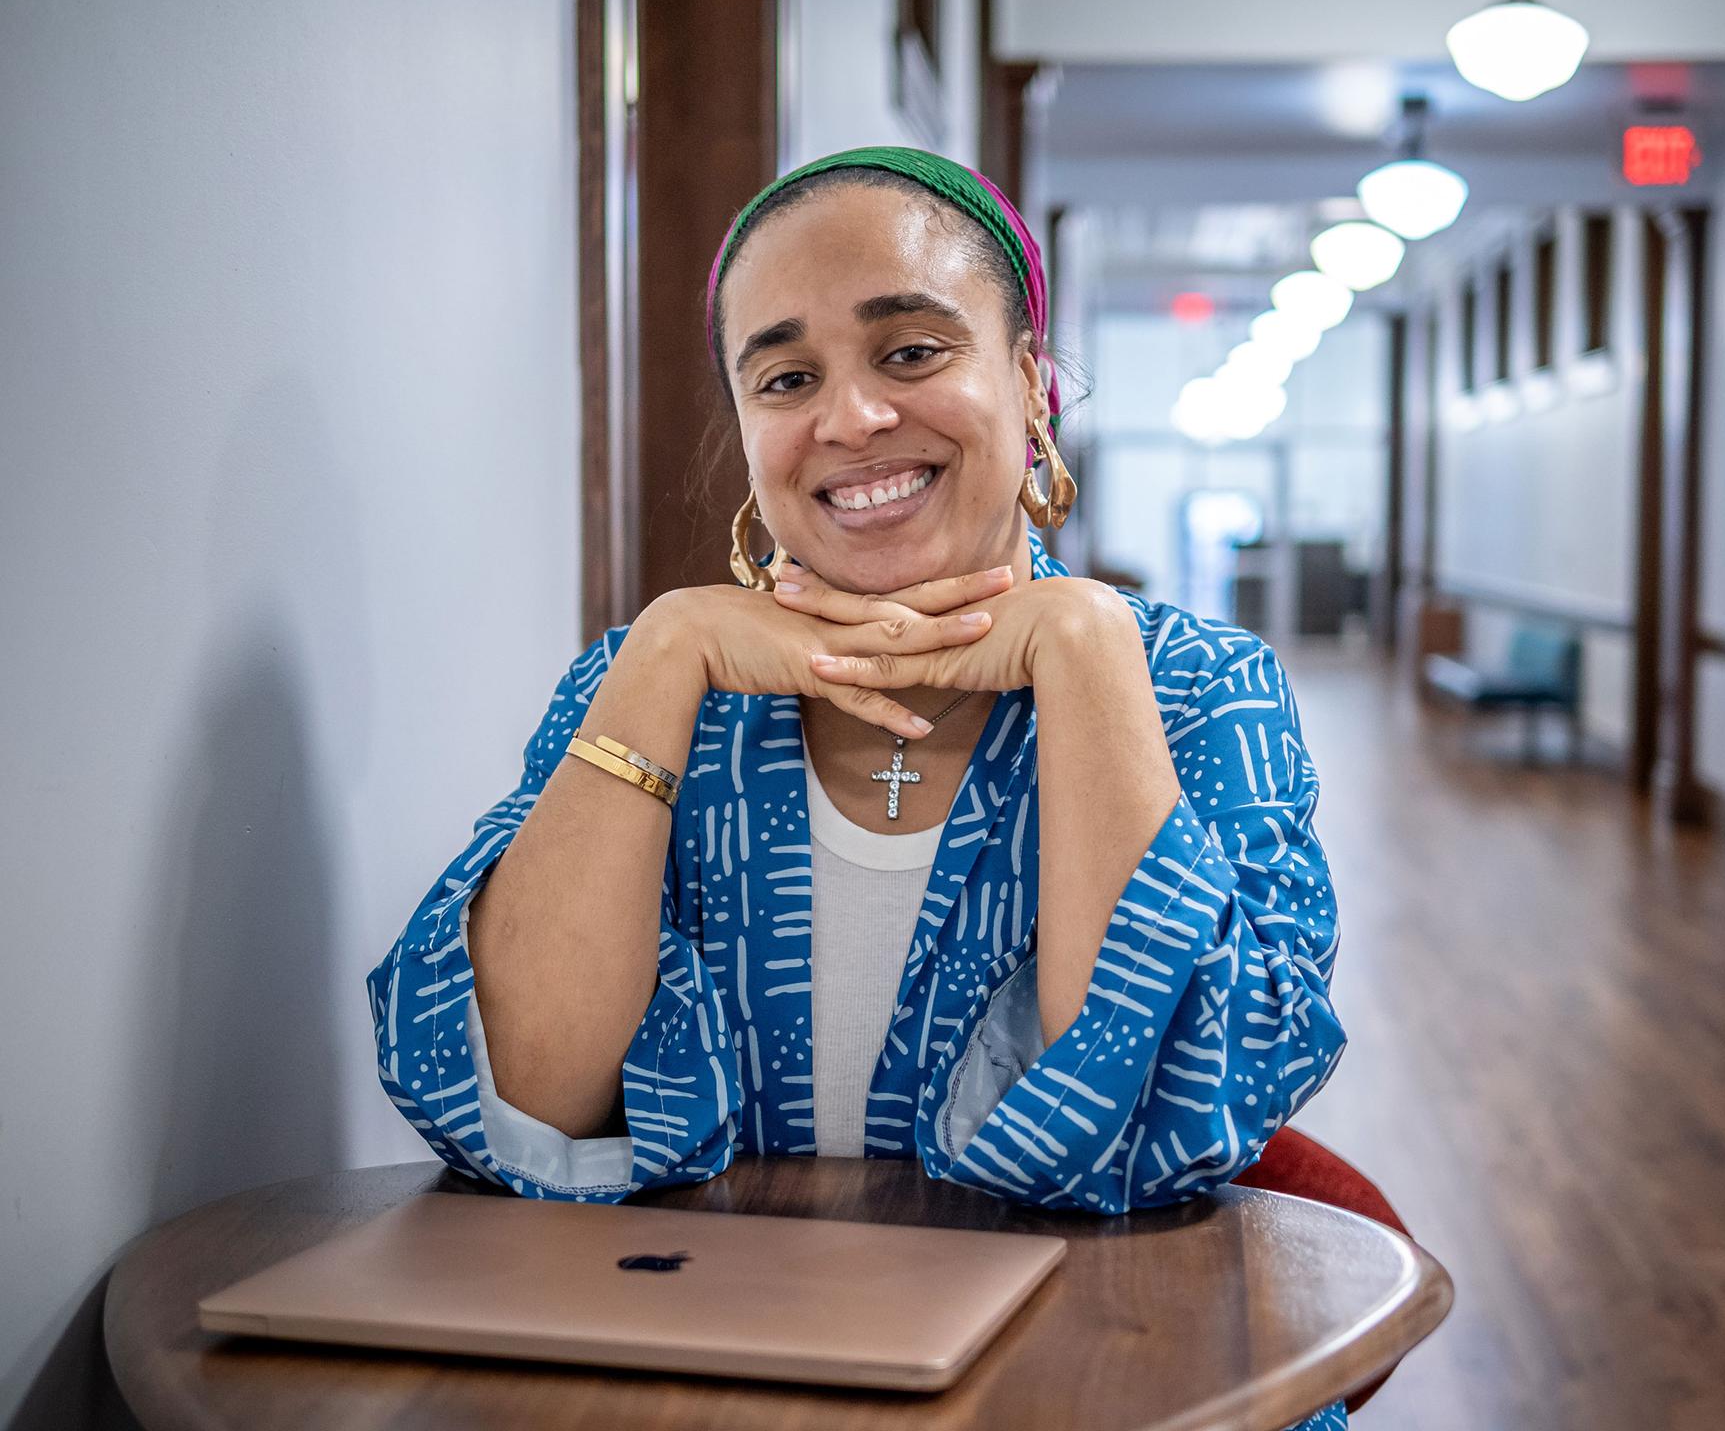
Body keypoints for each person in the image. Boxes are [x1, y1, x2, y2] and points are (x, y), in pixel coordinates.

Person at [367, 148, 1348, 1423]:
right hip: (722, 1382)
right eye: (786, 378)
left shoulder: (1195, 690)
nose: (851, 420)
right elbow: (515, 1097)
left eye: (912, 352)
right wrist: (668, 650)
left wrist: (1085, 645)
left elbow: (1168, 1120)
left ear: (1033, 385)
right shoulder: (644, 687)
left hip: (1111, 1380)